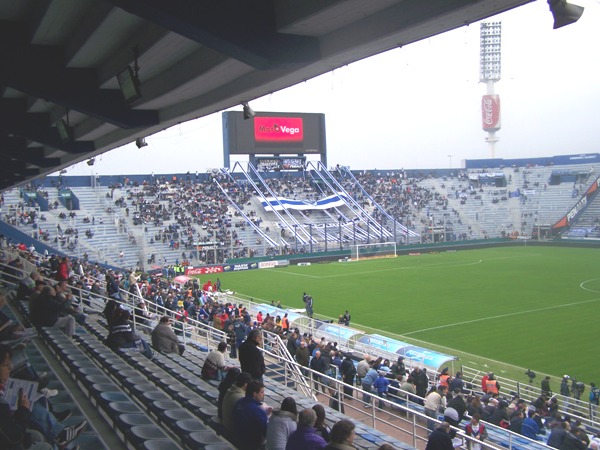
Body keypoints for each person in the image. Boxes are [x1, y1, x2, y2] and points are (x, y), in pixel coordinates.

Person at [233, 380, 270, 450]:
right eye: (262, 392)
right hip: (252, 444)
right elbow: (266, 431)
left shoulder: (239, 402)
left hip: (238, 439)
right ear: (255, 394)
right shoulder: (257, 411)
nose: (263, 394)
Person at [222, 372, 252, 436]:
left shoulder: (230, 390)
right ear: (245, 385)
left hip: (226, 424)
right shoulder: (240, 398)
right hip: (231, 429)